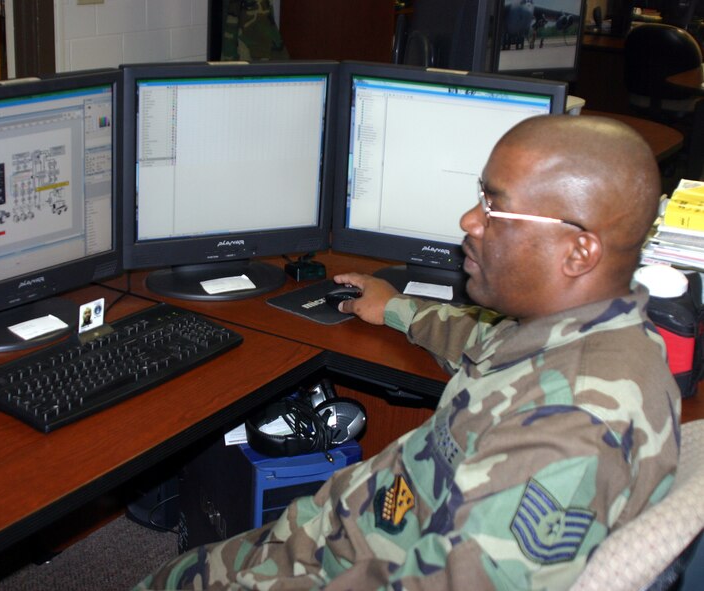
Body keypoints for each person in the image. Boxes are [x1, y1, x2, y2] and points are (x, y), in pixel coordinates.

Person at [137, 115, 681, 590]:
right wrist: (397, 309)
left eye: (495, 207)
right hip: (344, 529)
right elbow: (486, 347)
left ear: (578, 250)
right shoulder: (586, 330)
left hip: (343, 566)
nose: (470, 221)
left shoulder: (569, 434)